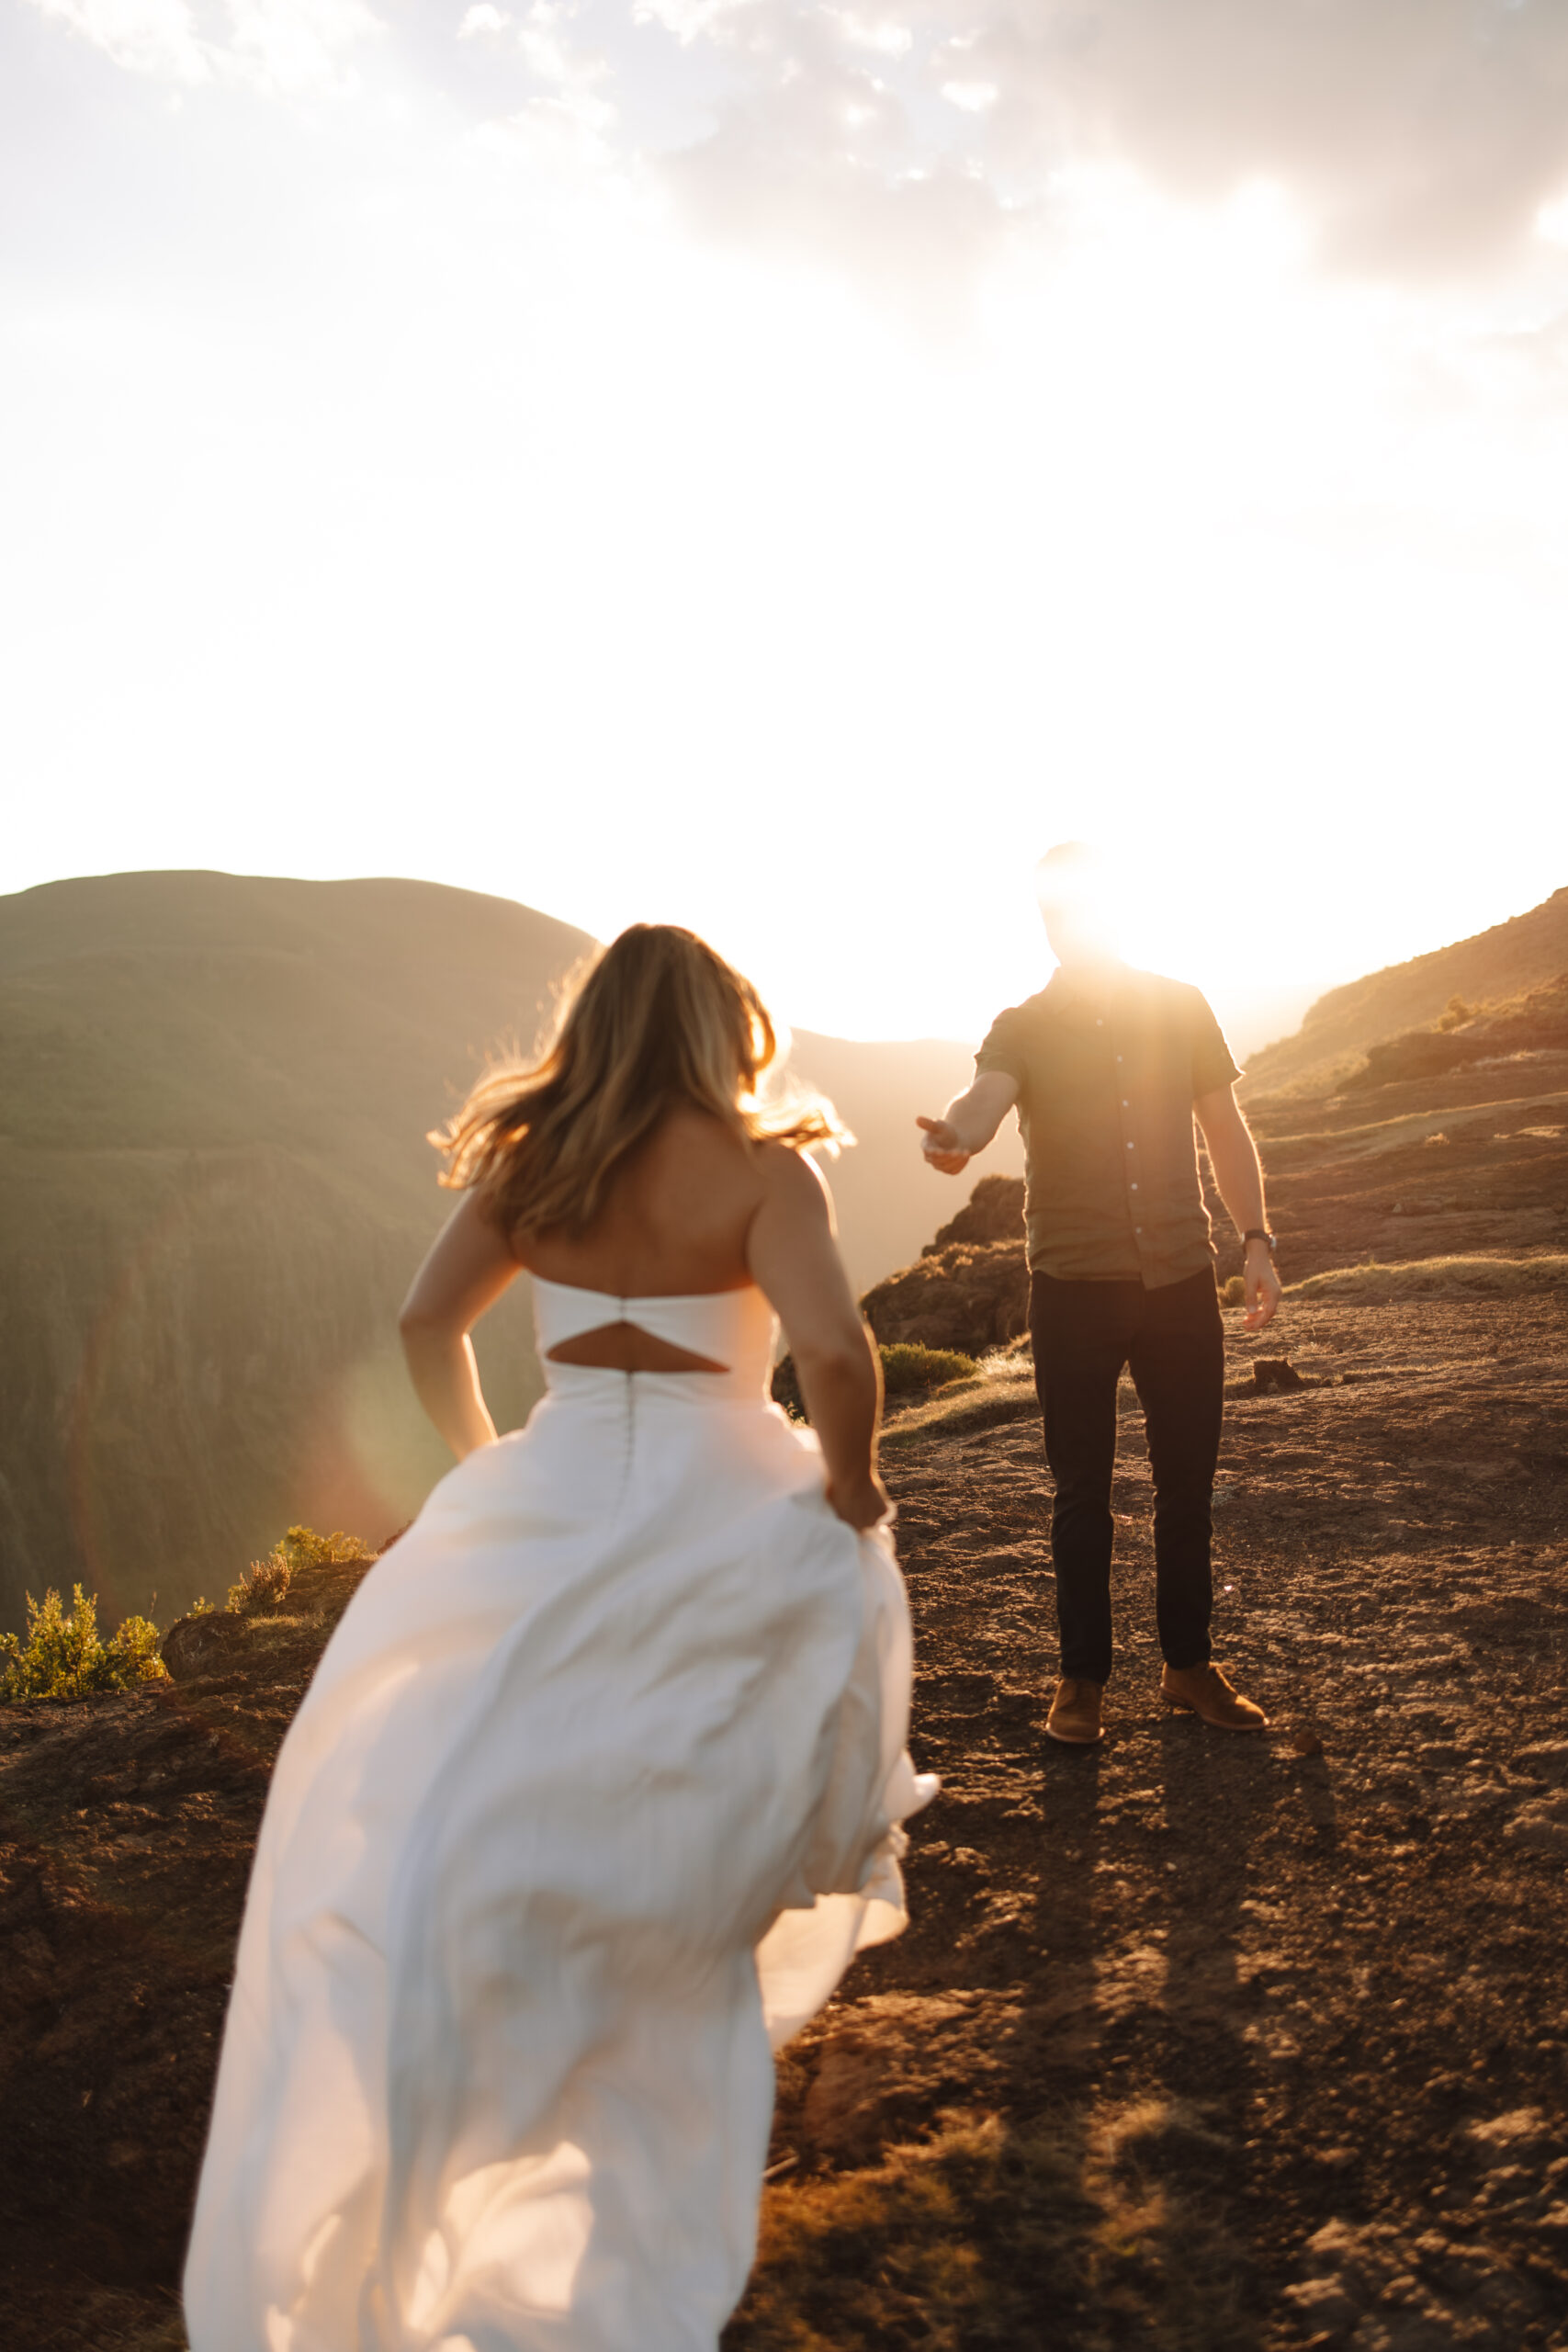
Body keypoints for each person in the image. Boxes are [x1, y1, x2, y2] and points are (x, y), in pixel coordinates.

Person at [184, 924, 933, 2352]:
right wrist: (847, 1484)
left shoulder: (537, 1165)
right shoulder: (767, 1171)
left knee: (511, 1763)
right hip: (726, 1483)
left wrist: (478, 1467)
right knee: (735, 1712)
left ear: (595, 1026)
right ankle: (680, 1954)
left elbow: (424, 1322)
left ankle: (507, 2044)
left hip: (557, 1478)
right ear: (726, 1029)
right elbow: (834, 1354)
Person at [916, 842, 1281, 1747]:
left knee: (1185, 1485)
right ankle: (1081, 1682)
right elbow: (982, 1098)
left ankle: (1187, 1668)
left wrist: (1258, 1241)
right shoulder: (1023, 1027)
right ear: (1048, 923)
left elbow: (1225, 1133)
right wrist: (955, 1136)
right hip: (1074, 1287)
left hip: (1181, 1279)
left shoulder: (1180, 1006)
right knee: (1082, 1491)